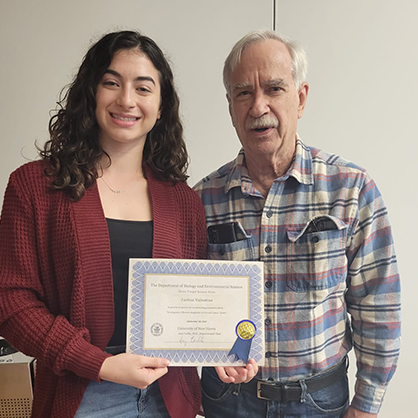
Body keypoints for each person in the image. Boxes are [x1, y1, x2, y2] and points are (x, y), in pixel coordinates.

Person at [194, 29, 400, 418]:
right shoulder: (201, 198)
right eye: (243, 93)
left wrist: (368, 403)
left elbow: (378, 303)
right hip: (227, 401)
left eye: (274, 89)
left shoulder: (351, 188)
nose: (258, 107)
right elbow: (187, 309)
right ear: (230, 105)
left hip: (319, 402)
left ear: (300, 97)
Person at [0, 30, 207, 418]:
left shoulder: (184, 202)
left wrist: (225, 352)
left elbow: (193, 305)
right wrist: (98, 363)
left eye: (143, 88)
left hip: (170, 398)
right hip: (82, 397)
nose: (126, 100)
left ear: (161, 107)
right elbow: (10, 300)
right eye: (111, 83)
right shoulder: (34, 187)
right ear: (90, 93)